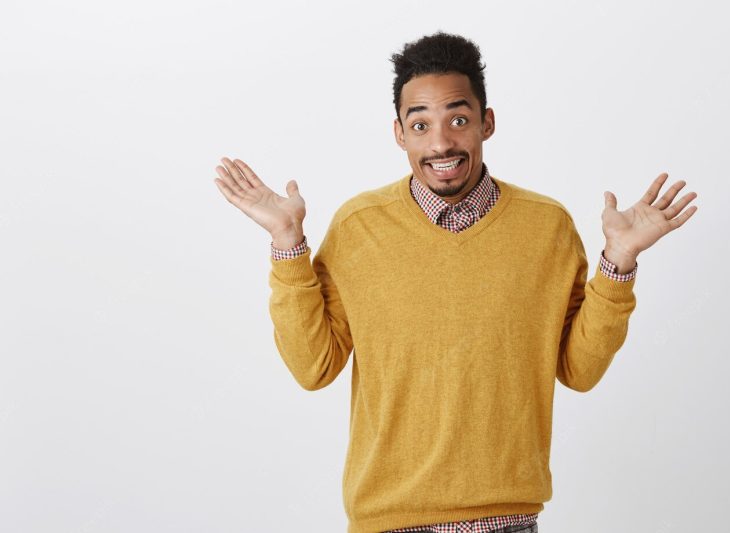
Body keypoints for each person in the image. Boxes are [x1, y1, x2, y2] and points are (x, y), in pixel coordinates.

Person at [213, 31, 698, 533]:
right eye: (420, 124)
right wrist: (288, 242)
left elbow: (578, 369)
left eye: (458, 119)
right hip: (388, 521)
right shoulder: (358, 228)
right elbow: (313, 367)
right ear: (399, 133)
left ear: (486, 123)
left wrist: (618, 261)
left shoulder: (546, 227)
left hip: (508, 521)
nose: (441, 142)